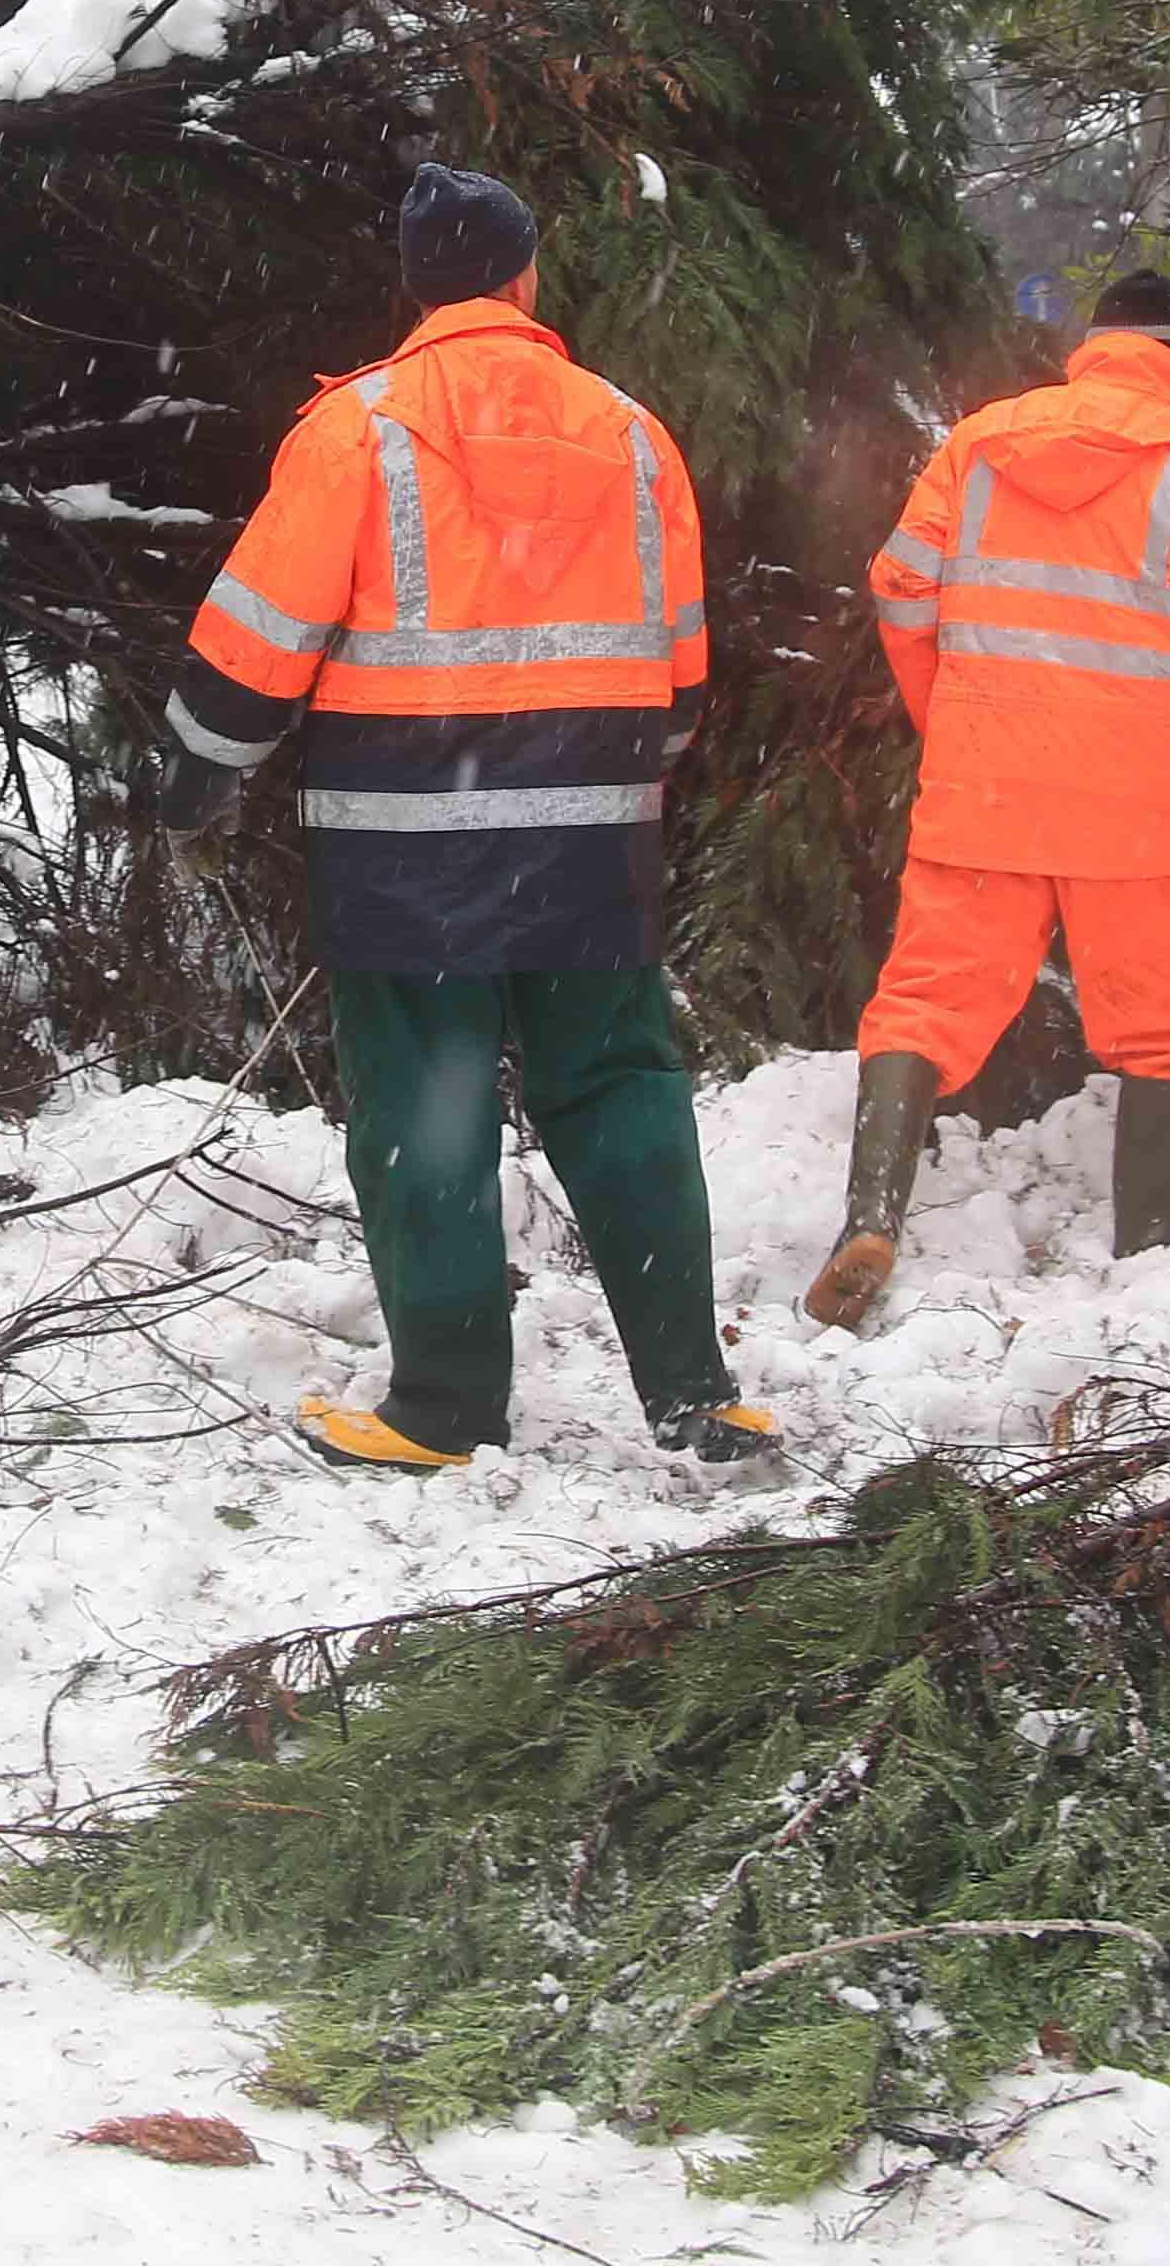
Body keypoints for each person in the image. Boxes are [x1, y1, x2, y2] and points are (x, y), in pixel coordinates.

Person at [153, 164, 772, 1472]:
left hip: (408, 833)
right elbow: (680, 653)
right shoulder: (630, 430)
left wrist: (202, 772)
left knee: (426, 1097)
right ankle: (693, 1393)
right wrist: (635, 771)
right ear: (525, 275)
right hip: (593, 829)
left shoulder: (356, 431)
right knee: (618, 1085)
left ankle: (442, 1407)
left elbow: (264, 631)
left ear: (416, 286)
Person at [813, 272, 1170, 1326]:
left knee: (926, 1002)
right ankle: (1145, 1260)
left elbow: (901, 588)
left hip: (985, 785)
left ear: (1096, 347)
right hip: (1135, 808)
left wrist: (959, 720)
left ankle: (873, 1215)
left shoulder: (981, 441)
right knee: (1163, 1025)